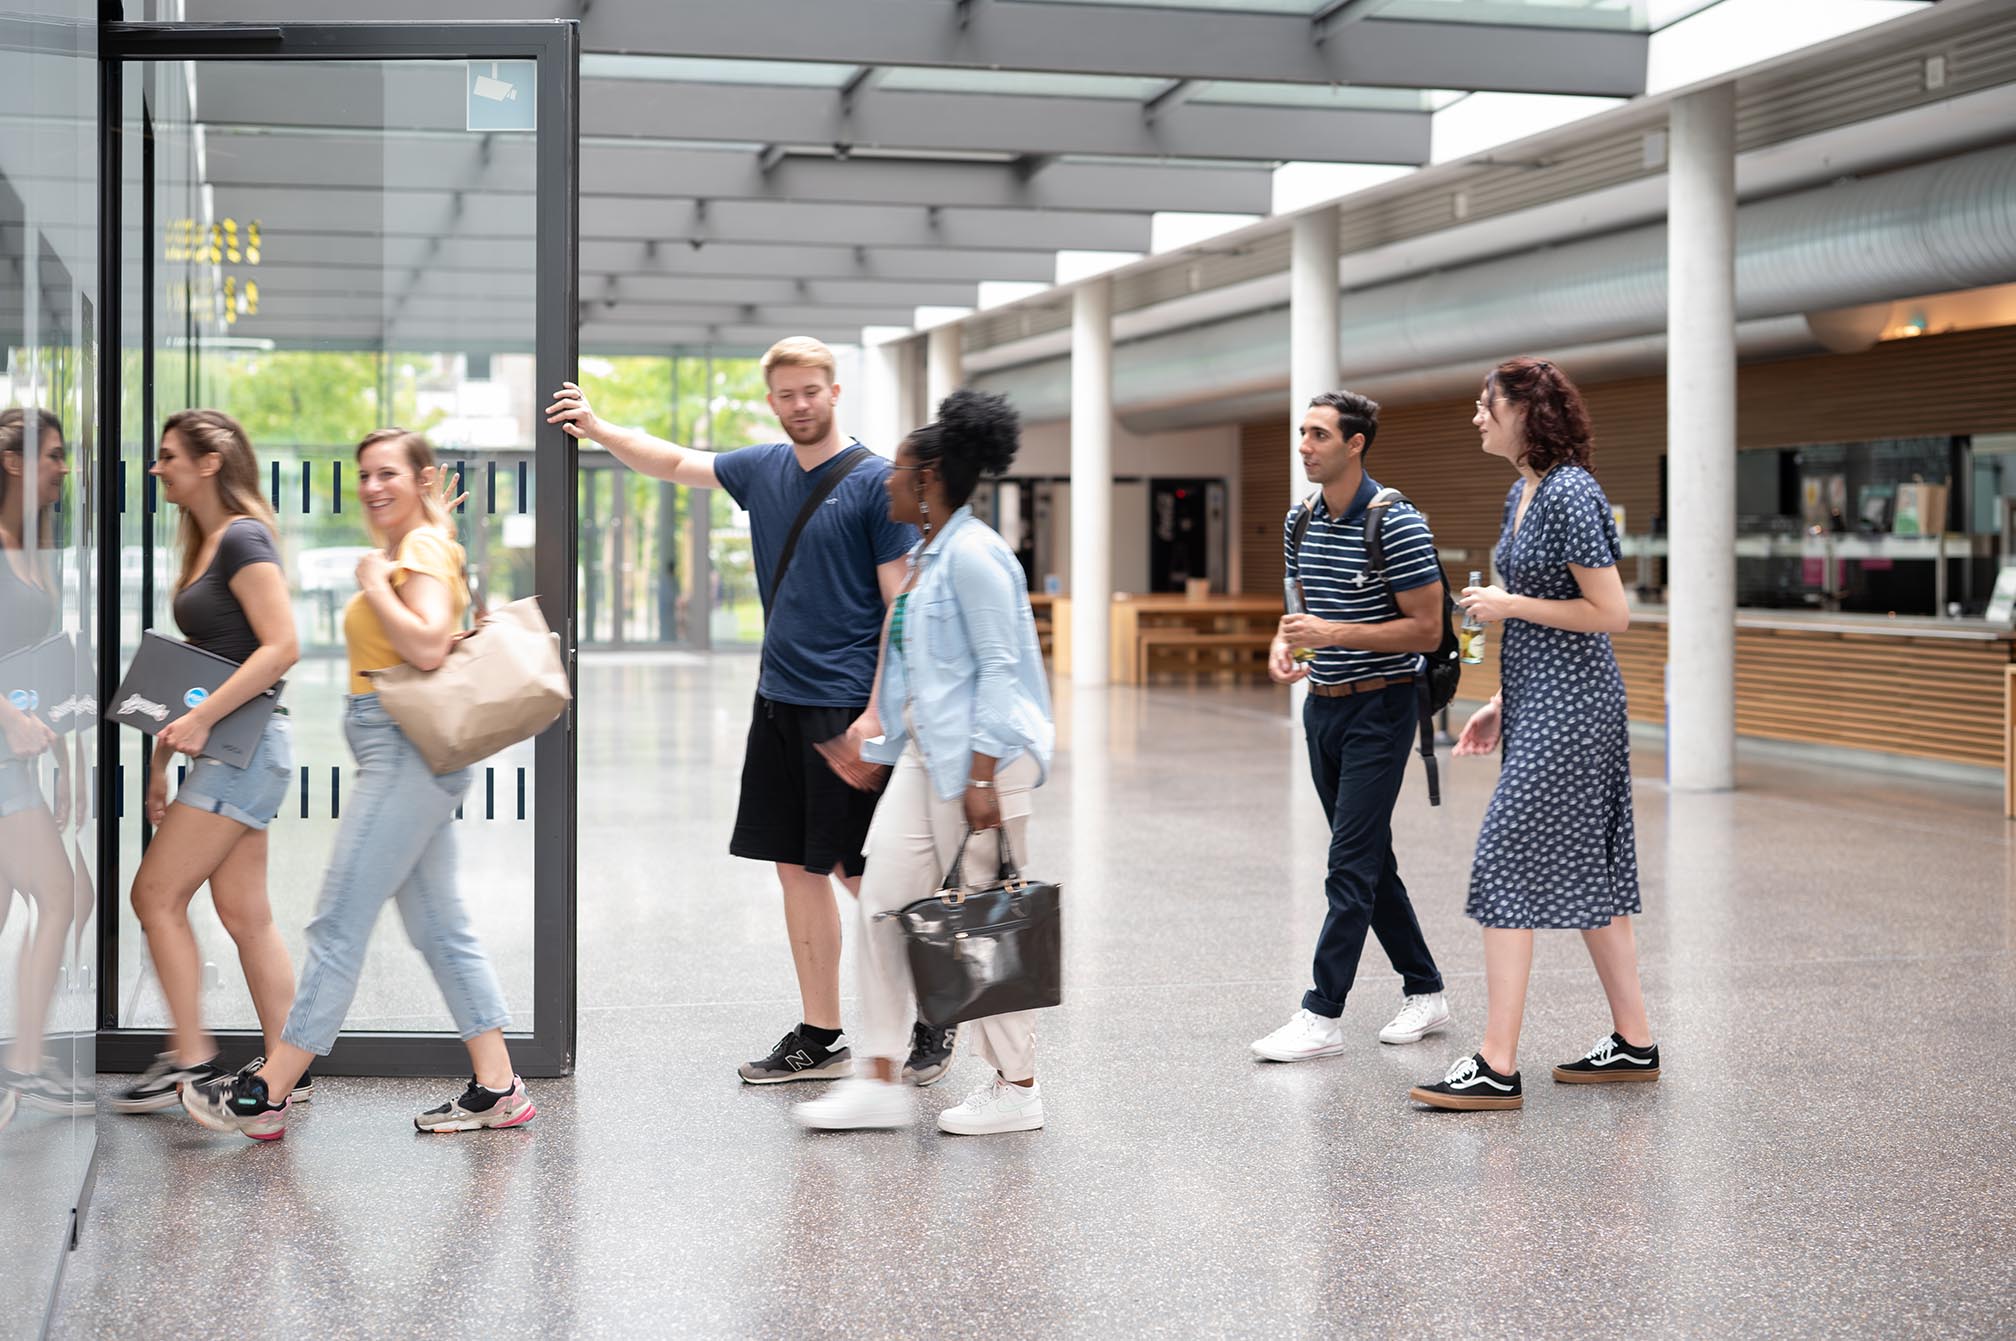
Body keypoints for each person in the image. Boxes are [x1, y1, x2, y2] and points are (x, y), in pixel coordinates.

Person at [545, 339, 946, 1087]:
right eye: (787, 394)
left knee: (865, 875)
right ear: (773, 400)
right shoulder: (761, 469)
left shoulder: (871, 485)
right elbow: (671, 462)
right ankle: (821, 1032)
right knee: (797, 868)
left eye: (812, 391)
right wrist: (598, 426)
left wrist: (879, 711)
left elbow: (902, 607)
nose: (800, 404)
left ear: (834, 392)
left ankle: (933, 1013)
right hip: (778, 702)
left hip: (845, 707)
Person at [185, 428, 533, 1140]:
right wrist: (422, 532)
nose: (373, 487)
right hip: (401, 744)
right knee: (440, 926)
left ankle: (270, 1090)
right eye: (365, 475)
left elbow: (431, 642)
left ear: (421, 478)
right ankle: (499, 1085)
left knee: (338, 920)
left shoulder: (413, 554)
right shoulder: (421, 543)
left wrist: (377, 579)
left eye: (389, 475)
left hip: (405, 748)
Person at [792, 389, 1055, 1135]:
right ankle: (878, 1074)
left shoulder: (975, 555)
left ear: (931, 477)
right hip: (925, 760)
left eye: (900, 470)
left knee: (984, 924)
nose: (886, 480)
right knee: (881, 905)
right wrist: (873, 740)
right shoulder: (927, 557)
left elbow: (1000, 673)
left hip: (980, 767)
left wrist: (979, 779)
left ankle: (1019, 1086)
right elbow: (917, 668)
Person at [1410, 357, 1657, 1112]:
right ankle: (1636, 1040)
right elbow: (1541, 611)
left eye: (1487, 405)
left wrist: (1511, 604)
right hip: (1542, 701)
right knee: (1594, 871)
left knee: (1506, 858)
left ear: (1527, 412)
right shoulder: (1524, 491)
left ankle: (1494, 1061)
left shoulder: (1573, 492)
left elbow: (1611, 612)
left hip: (1576, 708)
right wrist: (1501, 703)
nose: (1477, 417)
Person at [108, 410, 304, 1115]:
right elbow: (199, 670)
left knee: (154, 895)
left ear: (210, 461)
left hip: (243, 749)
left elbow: (281, 647)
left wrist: (196, 719)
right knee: (246, 913)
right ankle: (287, 1067)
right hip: (231, 748)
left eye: (167, 456)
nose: (157, 468)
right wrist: (164, 758)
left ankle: (191, 1058)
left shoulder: (243, 538)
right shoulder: (208, 541)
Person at [1250, 391, 1453, 1064]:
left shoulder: (1397, 524)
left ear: (1355, 443)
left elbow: (1426, 629)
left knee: (1348, 863)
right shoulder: (1299, 520)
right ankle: (1425, 988)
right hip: (1324, 705)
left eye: (1318, 434)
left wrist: (1333, 632)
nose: (1304, 445)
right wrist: (1291, 648)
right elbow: (1299, 607)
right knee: (1368, 859)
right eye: (1301, 433)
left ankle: (1322, 1010)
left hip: (1383, 706)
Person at [0, 407, 91, 1120]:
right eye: (54, 454)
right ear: (14, 460)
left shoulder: (37, 544)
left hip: (23, 751)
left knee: (15, 902)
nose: (64, 466)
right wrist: (9, 715)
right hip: (1, 749)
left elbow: (44, 664)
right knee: (63, 893)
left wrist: (69, 752)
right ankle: (25, 1063)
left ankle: (21, 1063)